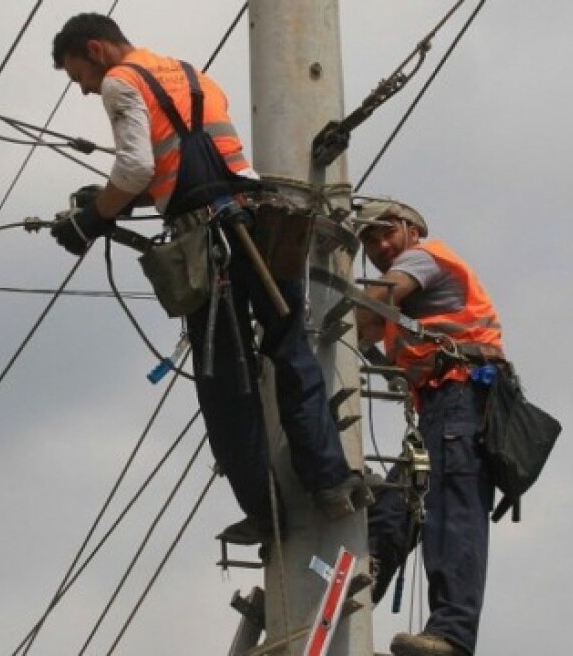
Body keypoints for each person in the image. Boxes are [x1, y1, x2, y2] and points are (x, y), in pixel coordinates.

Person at [48, 13, 368, 545]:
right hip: (261, 224)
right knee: (291, 351)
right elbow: (189, 163)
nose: (82, 89)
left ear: (96, 50)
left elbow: (133, 170)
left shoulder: (119, 81)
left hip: (208, 243)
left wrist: (93, 219)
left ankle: (266, 513)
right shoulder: (191, 74)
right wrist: (112, 205)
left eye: (76, 74)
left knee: (226, 382)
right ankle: (331, 482)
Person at [355, 200, 504, 656]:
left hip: (462, 396)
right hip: (440, 409)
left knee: (452, 513)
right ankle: (355, 600)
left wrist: (331, 303)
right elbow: (362, 333)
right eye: (368, 242)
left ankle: (452, 637)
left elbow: (365, 314)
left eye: (387, 232)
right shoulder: (414, 279)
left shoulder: (422, 257)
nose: (380, 245)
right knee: (395, 508)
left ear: (412, 229)